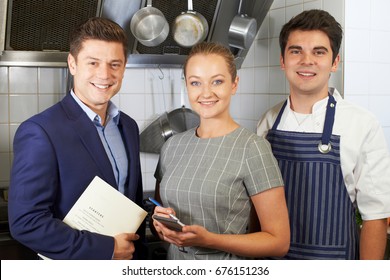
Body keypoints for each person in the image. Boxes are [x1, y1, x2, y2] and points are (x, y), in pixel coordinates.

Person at [257, 9, 390, 260]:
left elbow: (376, 217)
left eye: (319, 52)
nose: (307, 61)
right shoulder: (268, 122)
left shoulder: (361, 124)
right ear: (283, 60)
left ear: (335, 62)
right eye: (296, 51)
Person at [8, 17, 145, 260]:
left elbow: (130, 200)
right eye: (93, 63)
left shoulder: (129, 127)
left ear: (124, 67)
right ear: (72, 64)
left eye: (115, 64)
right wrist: (108, 249)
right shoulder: (41, 131)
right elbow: (27, 223)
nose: (104, 74)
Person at [152, 42, 290, 260]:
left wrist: (210, 240)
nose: (206, 93)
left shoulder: (253, 148)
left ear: (234, 84)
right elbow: (161, 217)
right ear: (187, 86)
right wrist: (161, 226)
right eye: (195, 83)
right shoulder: (172, 146)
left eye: (217, 81)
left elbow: (278, 242)